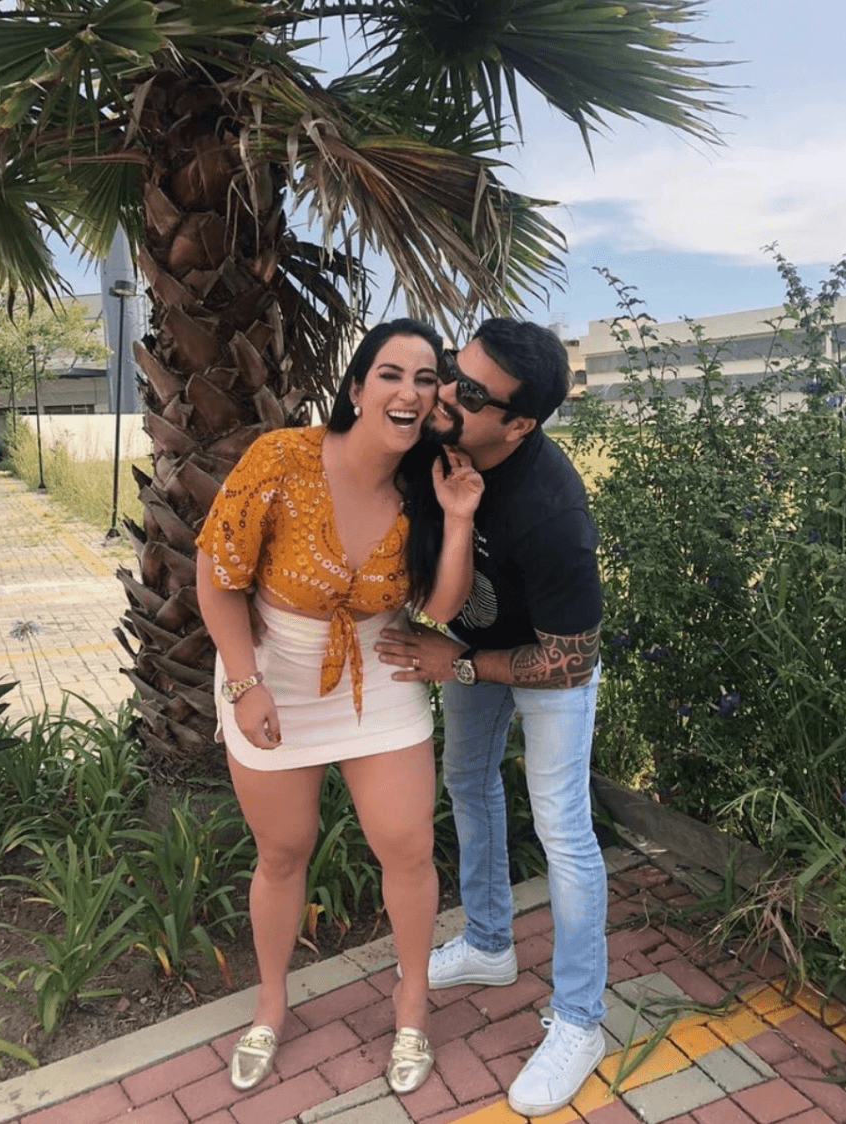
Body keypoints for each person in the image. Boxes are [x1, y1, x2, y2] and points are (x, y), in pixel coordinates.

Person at [194, 319, 483, 1097]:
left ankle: (412, 1006)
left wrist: (458, 517)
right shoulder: (282, 459)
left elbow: (440, 608)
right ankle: (270, 1005)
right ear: (358, 388)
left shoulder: (429, 482)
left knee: (409, 849)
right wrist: (245, 683)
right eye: (391, 373)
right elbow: (216, 578)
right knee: (283, 854)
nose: (409, 391)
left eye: (426, 379)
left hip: (378, 676)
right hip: (271, 676)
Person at [376, 318, 607, 1117]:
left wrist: (461, 663)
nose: (445, 393)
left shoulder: (552, 513)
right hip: (471, 647)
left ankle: (580, 1019)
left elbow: (572, 659)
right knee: (466, 783)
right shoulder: (435, 438)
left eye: (471, 393)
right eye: (451, 370)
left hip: (542, 662)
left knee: (562, 827)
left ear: (519, 424)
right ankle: (487, 943)